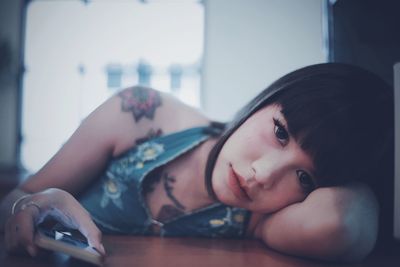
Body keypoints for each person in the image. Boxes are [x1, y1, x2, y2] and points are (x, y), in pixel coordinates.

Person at [0, 63, 394, 262]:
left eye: (305, 177)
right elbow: (18, 198)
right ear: (268, 98)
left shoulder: (264, 219)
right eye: (279, 131)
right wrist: (38, 201)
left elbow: (342, 223)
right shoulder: (141, 113)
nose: (262, 175)